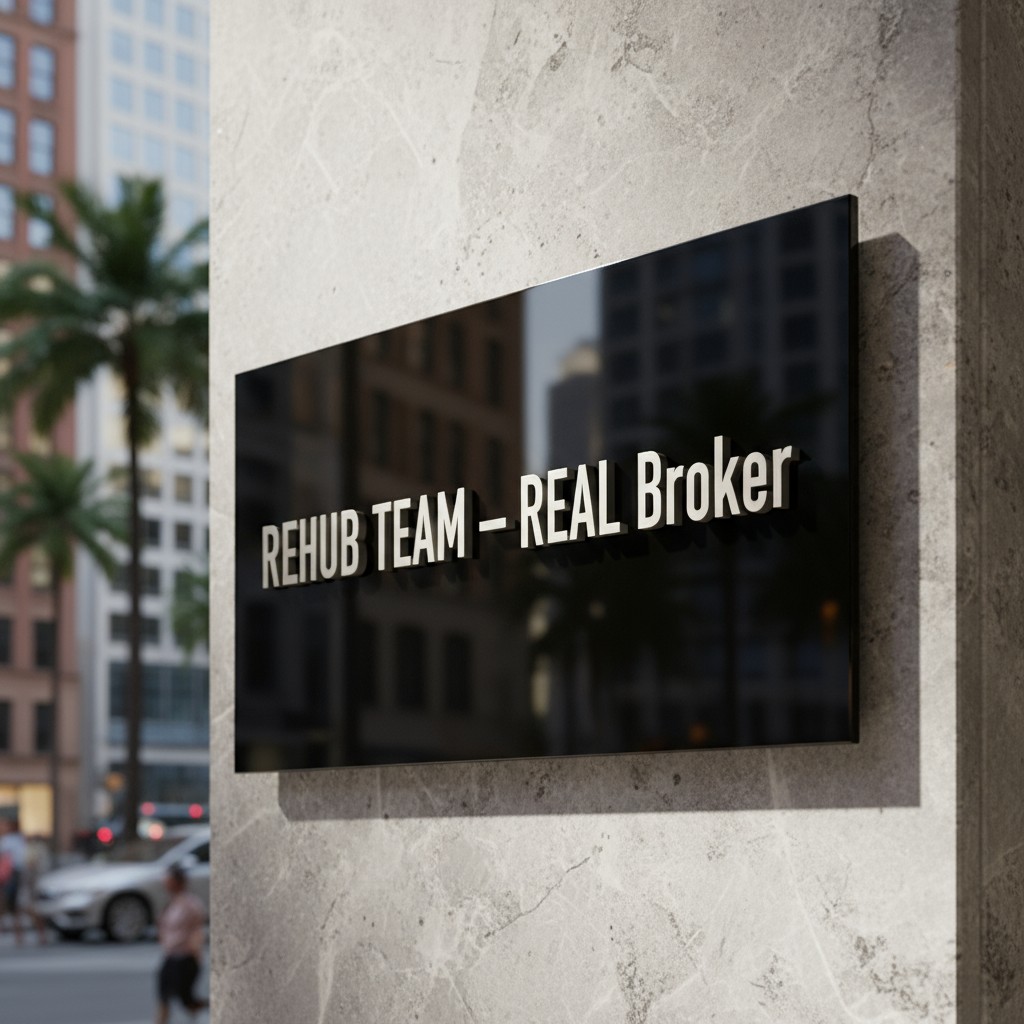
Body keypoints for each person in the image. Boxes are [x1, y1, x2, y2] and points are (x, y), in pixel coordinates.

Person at [155, 864, 208, 1023]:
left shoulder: (191, 904)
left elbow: (197, 931)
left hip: (186, 957)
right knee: (163, 996)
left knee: (187, 1000)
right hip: (170, 956)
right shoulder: (171, 903)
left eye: (169, 880)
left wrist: (196, 953)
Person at [0, 816, 28, 945]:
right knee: (16, 905)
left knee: (13, 905)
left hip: (11, 875)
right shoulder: (20, 839)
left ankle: (18, 935)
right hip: (17, 874)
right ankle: (18, 935)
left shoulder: (8, 840)